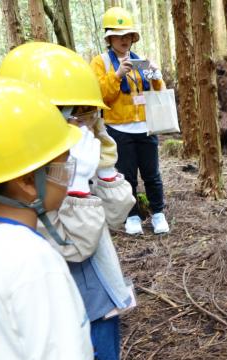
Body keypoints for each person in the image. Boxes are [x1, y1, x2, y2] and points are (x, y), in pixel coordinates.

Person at [0, 42, 137, 360]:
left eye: (85, 113)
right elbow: (73, 244)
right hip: (66, 310)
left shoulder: (77, 153)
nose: (80, 123)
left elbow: (115, 216)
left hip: (100, 300)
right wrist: (71, 182)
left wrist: (104, 171)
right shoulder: (17, 183)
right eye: (69, 114)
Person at [91, 6, 169, 235]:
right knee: (126, 176)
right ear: (109, 38)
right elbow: (99, 95)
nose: (124, 39)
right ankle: (132, 216)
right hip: (118, 128)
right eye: (119, 35)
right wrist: (116, 75)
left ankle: (158, 213)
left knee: (152, 174)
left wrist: (155, 74)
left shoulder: (140, 61)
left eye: (128, 35)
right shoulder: (100, 62)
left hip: (146, 127)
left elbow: (158, 92)